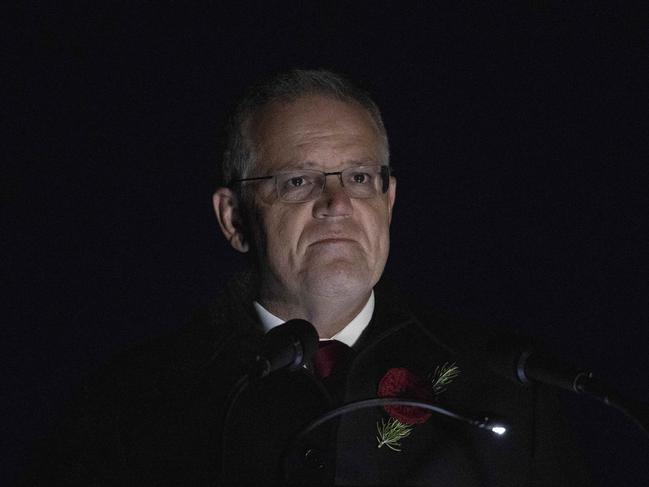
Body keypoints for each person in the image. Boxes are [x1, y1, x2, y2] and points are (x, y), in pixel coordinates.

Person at [24, 69, 588, 486]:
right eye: (298, 181)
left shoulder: (507, 386)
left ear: (389, 201)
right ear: (234, 219)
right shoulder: (131, 400)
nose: (337, 203)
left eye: (361, 177)